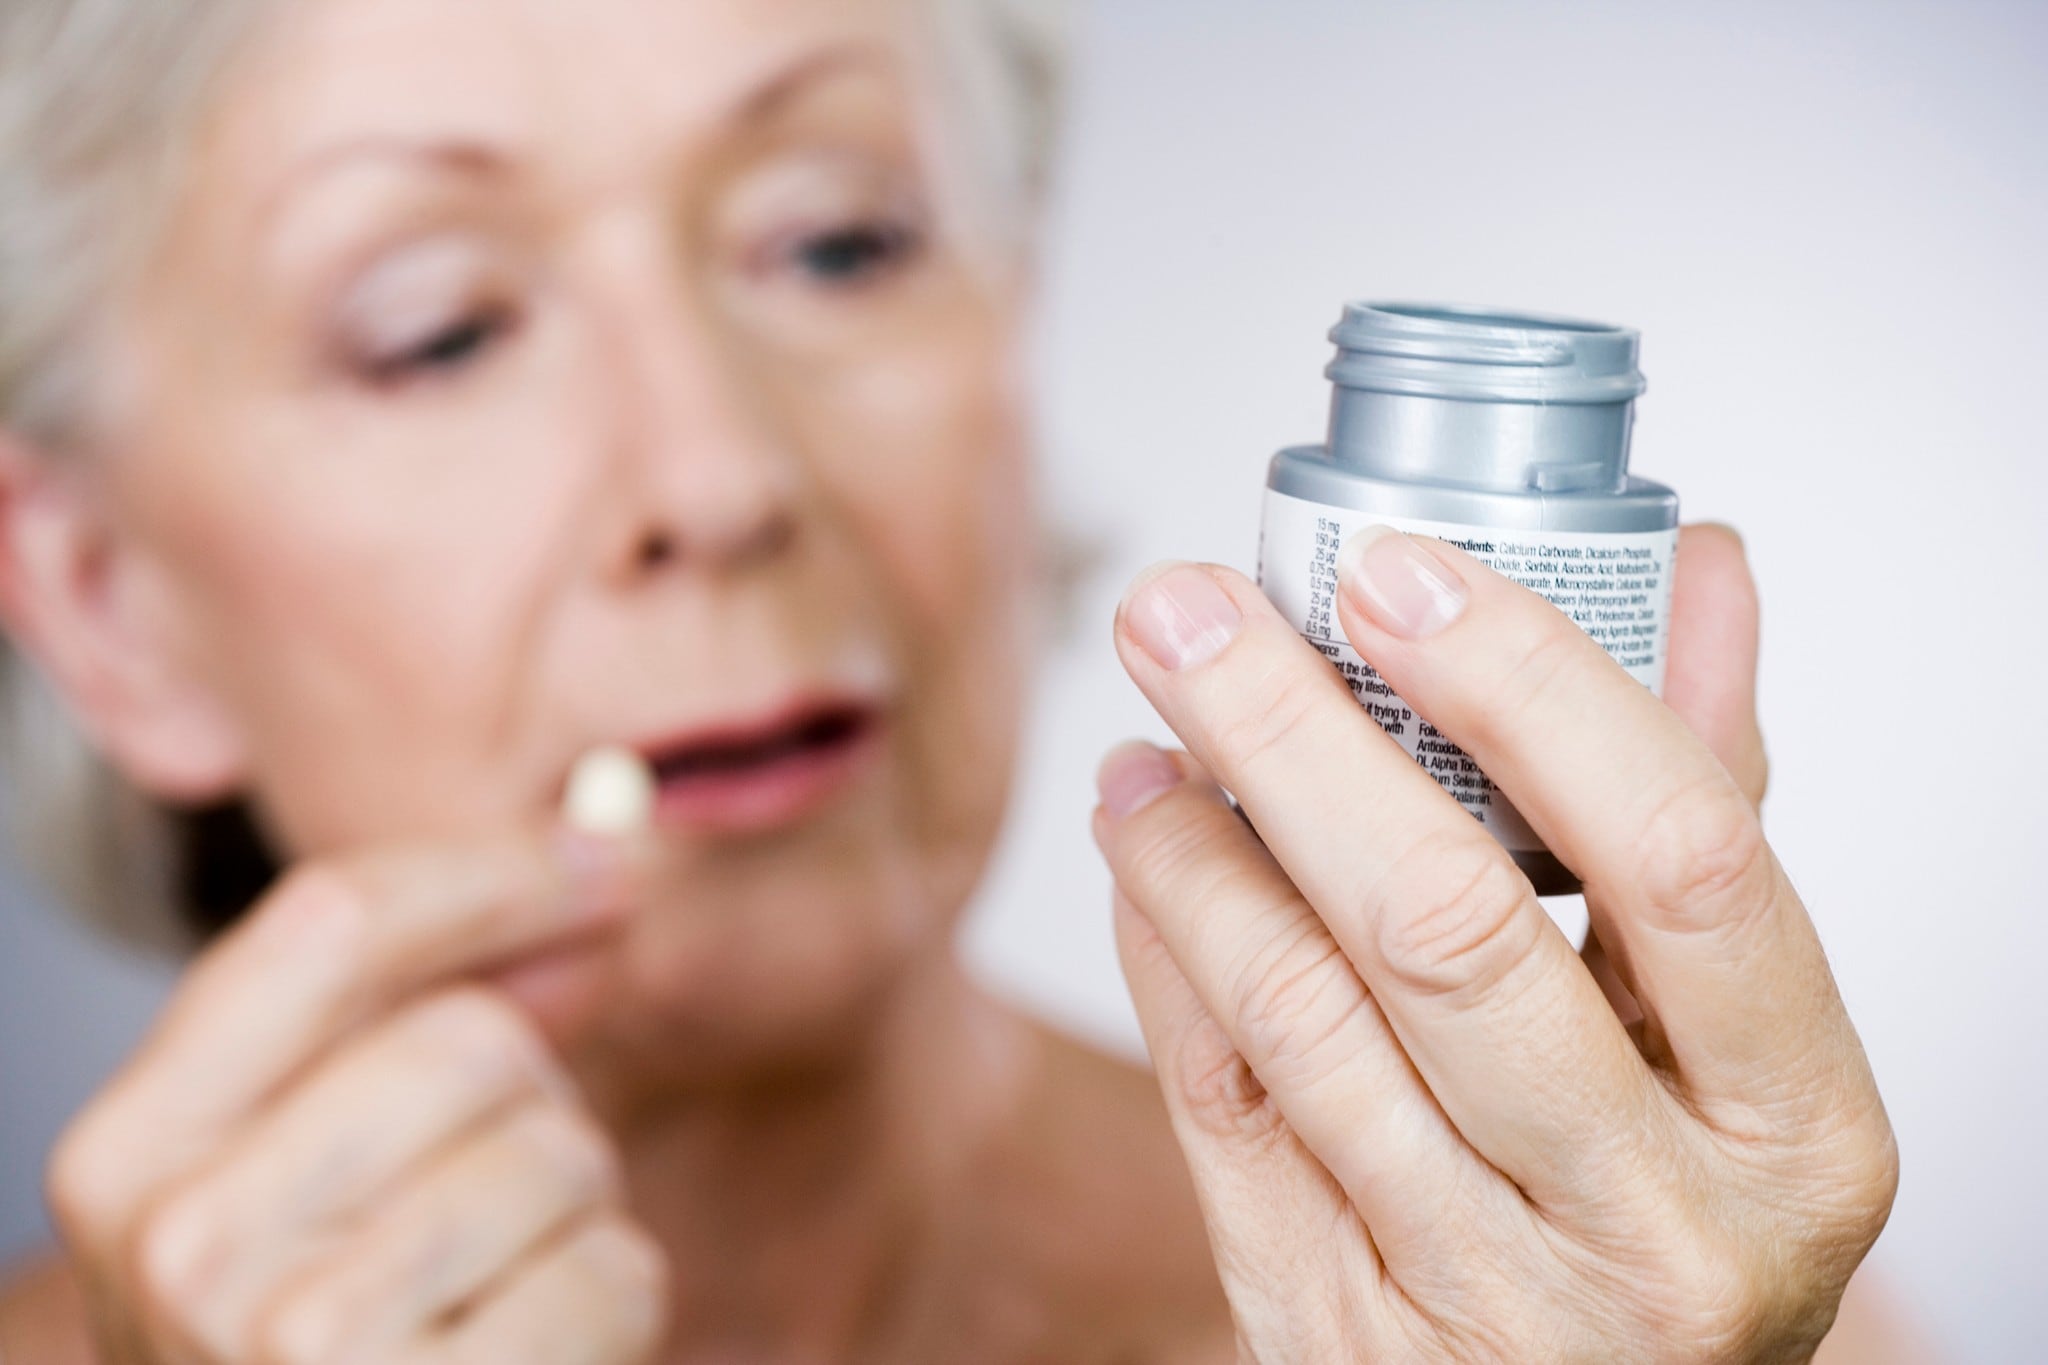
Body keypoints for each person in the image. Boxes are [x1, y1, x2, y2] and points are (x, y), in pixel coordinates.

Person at [0, 0, 1905, 1360]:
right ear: (106, 603)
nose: (723, 475)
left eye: (836, 242)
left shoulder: (1619, 1298)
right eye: (438, 330)